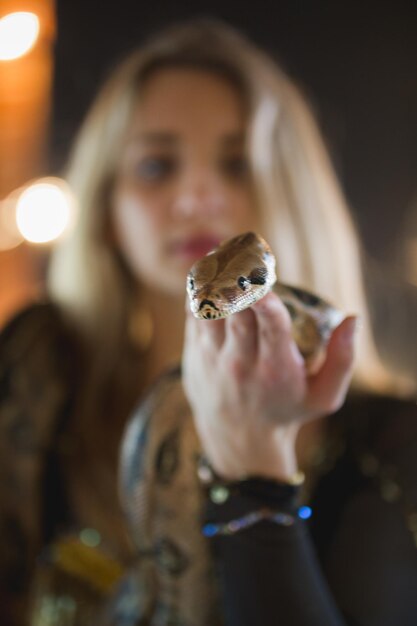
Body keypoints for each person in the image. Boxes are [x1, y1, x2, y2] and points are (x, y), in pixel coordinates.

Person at [0, 17, 415, 626]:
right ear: (108, 209)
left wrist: (256, 470)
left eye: (239, 162)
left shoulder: (394, 447)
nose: (196, 196)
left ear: (292, 197)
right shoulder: (37, 361)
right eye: (155, 166)